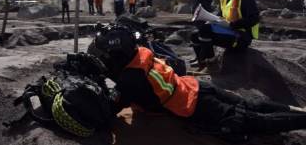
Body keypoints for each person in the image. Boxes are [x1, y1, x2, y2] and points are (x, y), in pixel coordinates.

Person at [89, 25, 306, 141]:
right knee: (251, 105)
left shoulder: (129, 80)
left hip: (194, 106)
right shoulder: (142, 53)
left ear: (116, 55)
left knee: (251, 121)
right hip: (195, 85)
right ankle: (298, 111)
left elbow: (109, 108)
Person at [190, 0, 259, 70]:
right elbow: (221, 14)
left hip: (241, 37)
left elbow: (254, 18)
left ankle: (212, 63)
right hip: (229, 32)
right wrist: (213, 20)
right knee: (194, 35)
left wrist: (232, 25)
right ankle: (202, 61)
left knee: (204, 30)